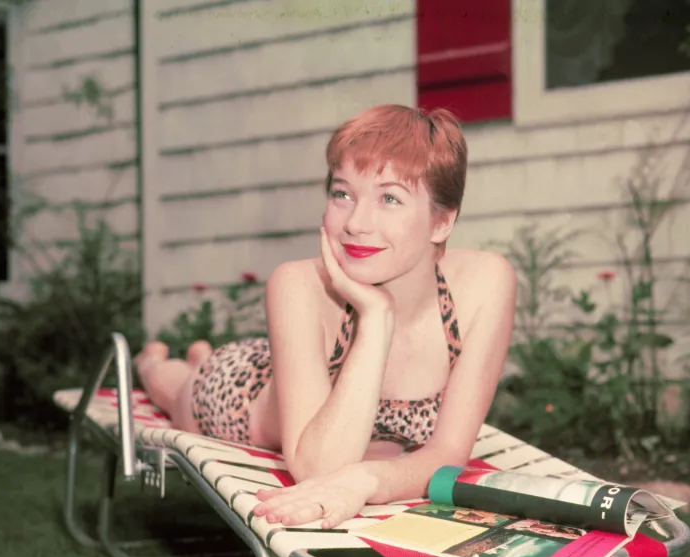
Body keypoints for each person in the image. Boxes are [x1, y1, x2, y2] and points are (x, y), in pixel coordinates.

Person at [133, 104, 517, 529]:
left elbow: (448, 454)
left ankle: (194, 353)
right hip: (239, 389)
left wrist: (367, 480)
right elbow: (318, 470)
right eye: (342, 194)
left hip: (292, 364)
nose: (356, 223)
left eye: (390, 198)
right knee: (174, 387)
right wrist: (375, 317)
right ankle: (155, 361)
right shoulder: (298, 283)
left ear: (441, 222)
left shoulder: (484, 283)